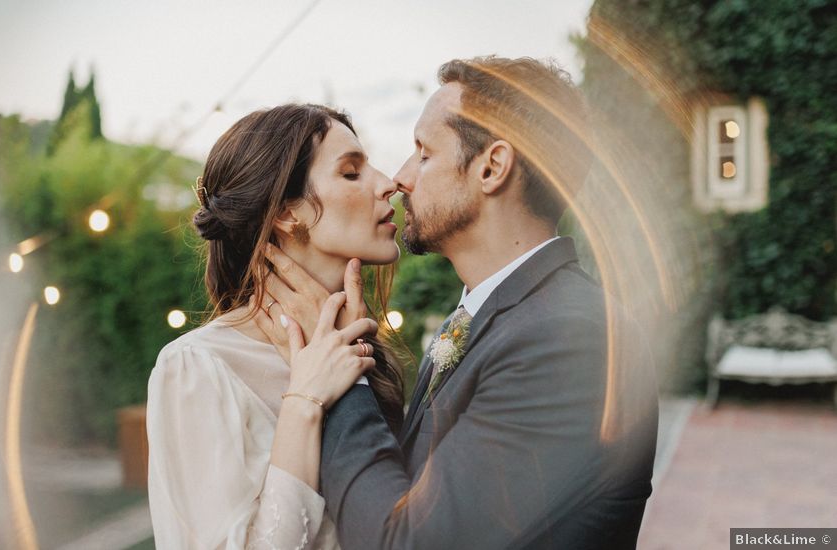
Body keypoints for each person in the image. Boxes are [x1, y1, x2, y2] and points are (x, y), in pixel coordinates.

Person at [258, 56, 659, 549]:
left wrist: (342, 380)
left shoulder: (567, 337)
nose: (400, 178)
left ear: (491, 167)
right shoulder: (490, 315)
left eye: (423, 153)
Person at [146, 103, 406, 549]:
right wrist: (305, 402)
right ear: (288, 213)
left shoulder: (364, 351)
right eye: (351, 172)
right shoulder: (198, 367)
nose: (389, 184)